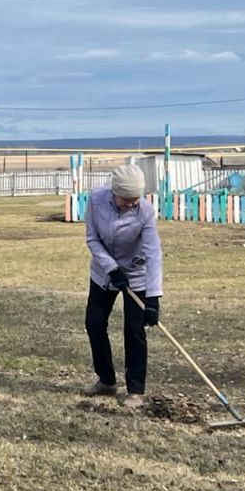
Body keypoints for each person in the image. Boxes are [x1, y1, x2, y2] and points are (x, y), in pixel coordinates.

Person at [81, 164, 163, 409]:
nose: (131, 204)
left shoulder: (145, 212)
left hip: (136, 274)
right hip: (104, 274)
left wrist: (153, 297)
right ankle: (106, 381)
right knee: (94, 323)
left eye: (135, 199)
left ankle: (136, 390)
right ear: (114, 193)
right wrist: (111, 268)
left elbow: (153, 253)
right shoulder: (96, 201)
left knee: (134, 330)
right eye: (126, 199)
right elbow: (92, 239)